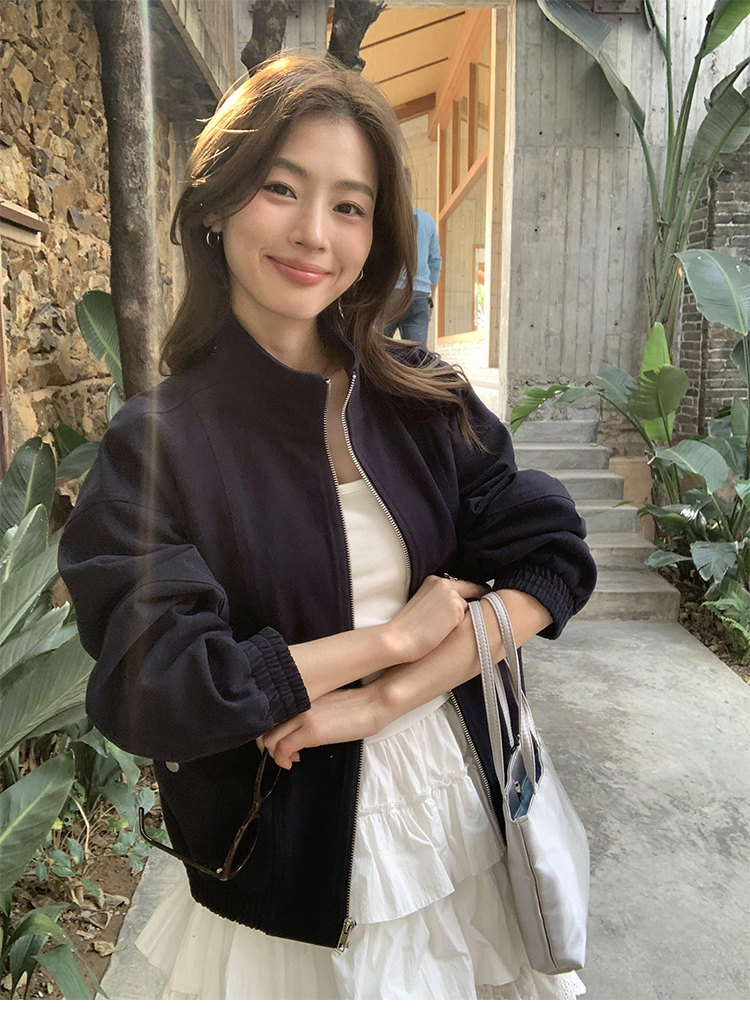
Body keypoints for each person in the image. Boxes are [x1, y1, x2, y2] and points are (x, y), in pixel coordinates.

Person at [58, 54, 597, 1000]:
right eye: (281, 188)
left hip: (460, 817)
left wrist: (390, 694)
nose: (314, 232)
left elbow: (551, 559)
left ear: (375, 232)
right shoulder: (159, 445)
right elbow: (159, 684)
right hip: (287, 856)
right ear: (218, 204)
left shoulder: (422, 398)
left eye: (350, 205)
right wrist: (386, 640)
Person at [384, 184, 441, 347]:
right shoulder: (427, 220)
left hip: (387, 295)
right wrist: (430, 298)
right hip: (419, 295)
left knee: (374, 351)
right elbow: (435, 262)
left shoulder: (382, 218)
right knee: (418, 355)